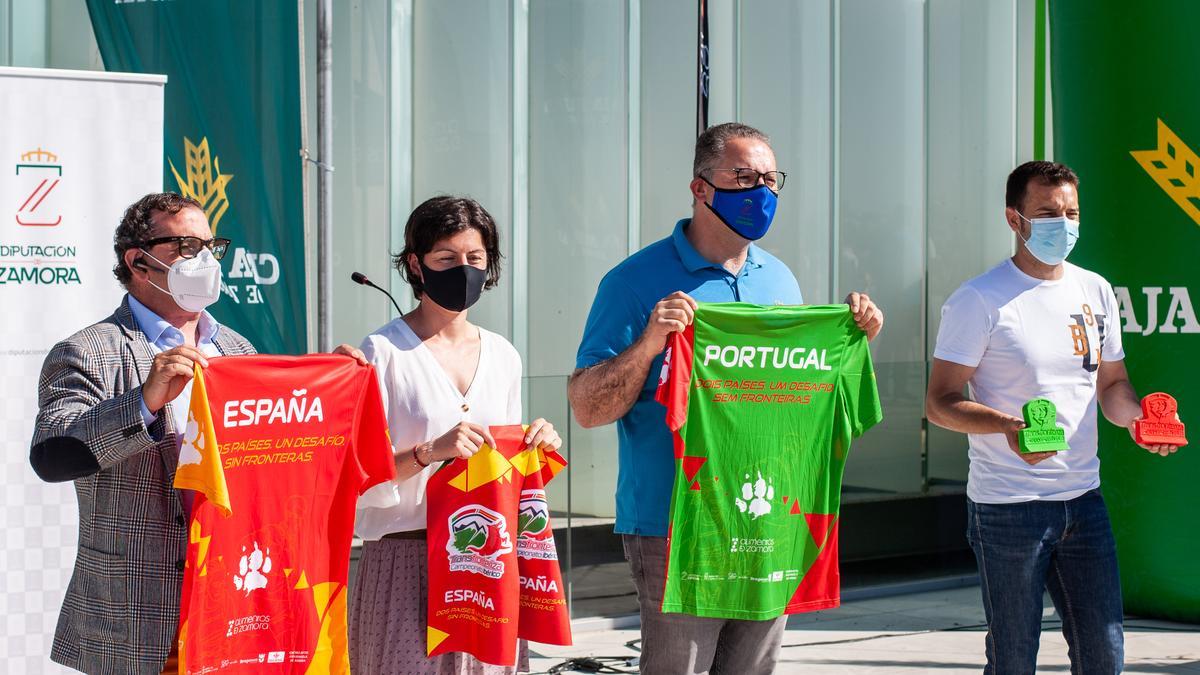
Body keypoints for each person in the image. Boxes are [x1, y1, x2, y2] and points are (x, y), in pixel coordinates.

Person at [567, 122, 884, 674]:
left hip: (766, 522)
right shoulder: (634, 283)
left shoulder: (779, 281)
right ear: (700, 188)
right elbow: (587, 407)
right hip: (674, 524)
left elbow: (797, 399)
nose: (760, 191)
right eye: (742, 176)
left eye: (770, 178)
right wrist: (648, 344)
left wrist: (851, 337)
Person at [29, 192, 366, 674]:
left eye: (211, 246)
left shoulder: (237, 349)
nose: (204, 260)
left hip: (233, 608)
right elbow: (51, 455)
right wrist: (144, 400)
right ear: (138, 262)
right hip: (137, 619)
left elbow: (271, 459)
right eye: (186, 247)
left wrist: (329, 384)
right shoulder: (87, 351)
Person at [925, 161, 1182, 674]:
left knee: (1104, 655)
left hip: (1084, 501)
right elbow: (941, 401)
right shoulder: (979, 299)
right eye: (1047, 213)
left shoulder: (1095, 289)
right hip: (1008, 507)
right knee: (1014, 659)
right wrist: (1008, 429)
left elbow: (1112, 385)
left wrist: (1136, 421)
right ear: (1014, 219)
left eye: (1071, 213)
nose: (1062, 224)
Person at [350, 195, 562, 674]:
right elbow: (359, 478)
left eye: (475, 258)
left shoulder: (504, 354)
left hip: (484, 564)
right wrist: (427, 452)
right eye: (446, 258)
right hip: (406, 561)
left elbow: (505, 475)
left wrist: (535, 445)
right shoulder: (382, 353)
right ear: (415, 264)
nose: (463, 269)